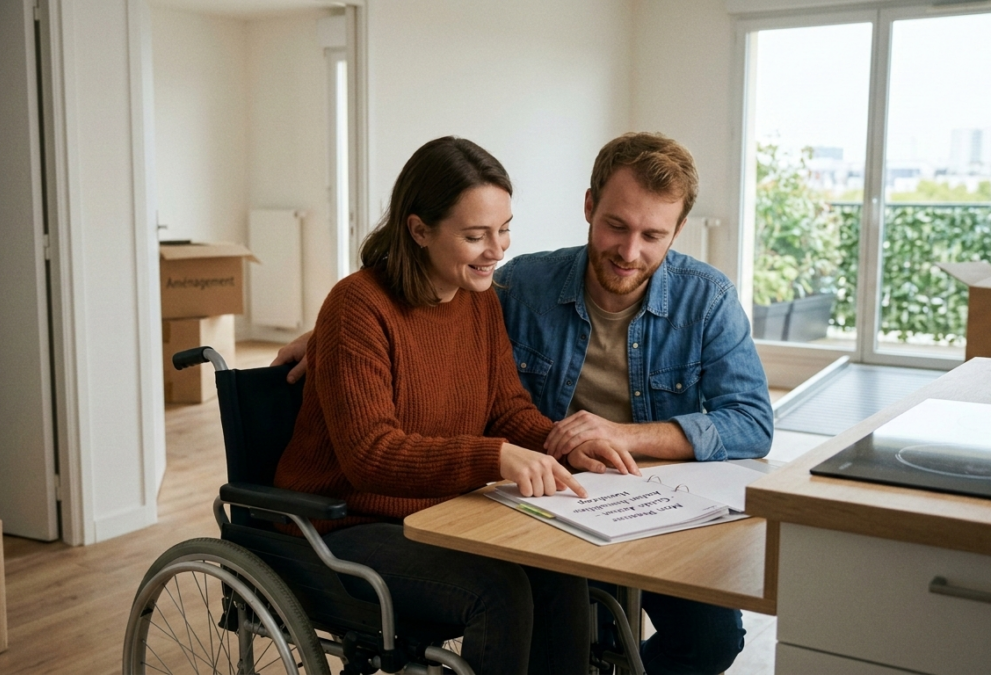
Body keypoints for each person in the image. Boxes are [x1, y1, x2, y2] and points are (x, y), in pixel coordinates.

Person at [274, 132, 773, 675]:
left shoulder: (481, 296)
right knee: (504, 589)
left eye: (504, 230)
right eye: (476, 234)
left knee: (572, 583)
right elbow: (370, 450)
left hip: (447, 511)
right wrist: (498, 455)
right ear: (419, 229)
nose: (497, 249)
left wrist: (566, 448)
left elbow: (508, 410)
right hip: (345, 522)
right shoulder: (402, 301)